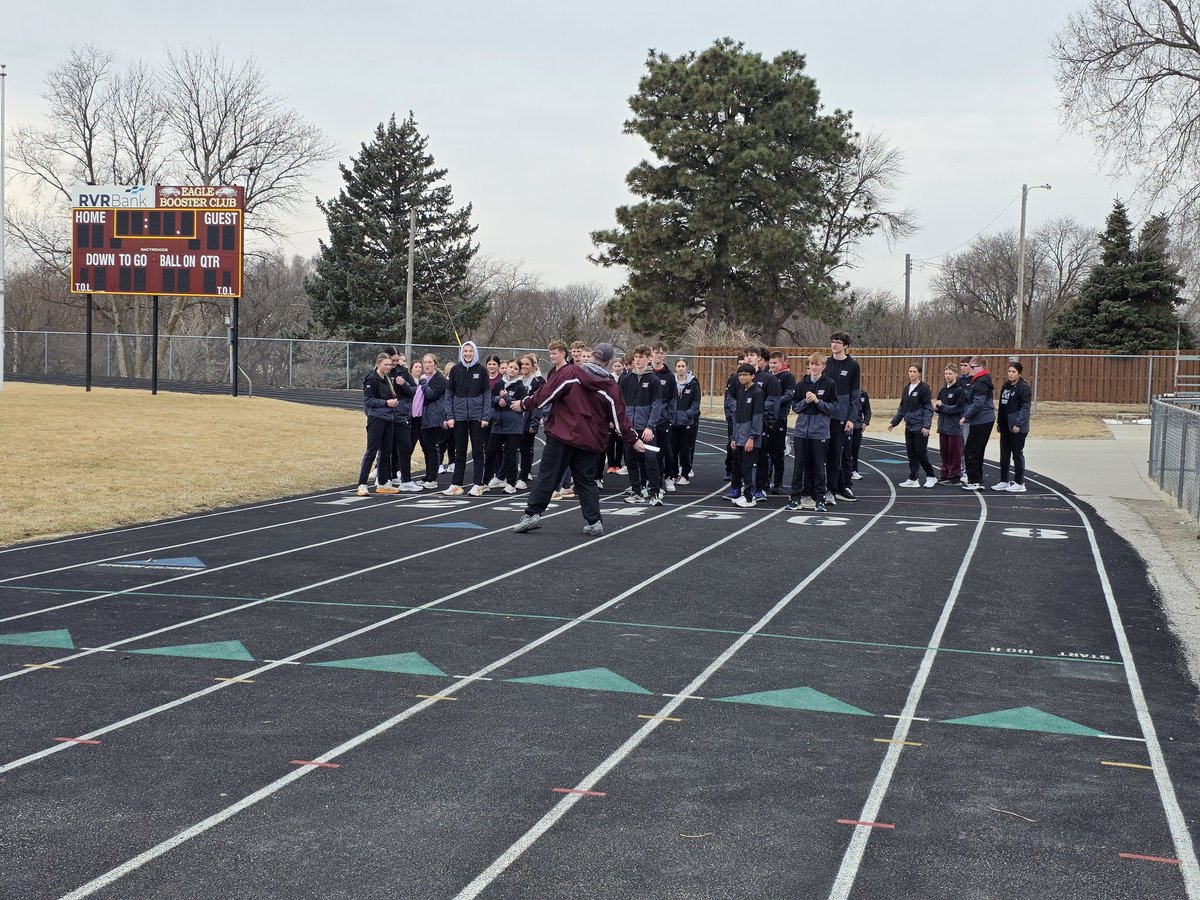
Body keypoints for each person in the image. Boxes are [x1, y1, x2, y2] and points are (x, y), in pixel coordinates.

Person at [512, 343, 644, 536]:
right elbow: (619, 418)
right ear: (608, 362)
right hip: (589, 440)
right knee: (586, 481)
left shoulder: (571, 373)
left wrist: (524, 404)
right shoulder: (610, 387)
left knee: (548, 475)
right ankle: (594, 521)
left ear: (592, 356)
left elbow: (547, 393)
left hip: (562, 434)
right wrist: (633, 439)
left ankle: (532, 514)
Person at [787, 352, 835, 512]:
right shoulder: (802, 384)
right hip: (801, 432)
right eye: (812, 364)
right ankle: (795, 498)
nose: (814, 367)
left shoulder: (829, 384)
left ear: (823, 366)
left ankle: (820, 499)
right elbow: (795, 407)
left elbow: (833, 408)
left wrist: (818, 401)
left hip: (819, 432)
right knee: (798, 467)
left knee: (819, 467)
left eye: (817, 365)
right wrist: (805, 401)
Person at [444, 340, 492, 497]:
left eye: (471, 351)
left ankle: (478, 484)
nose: (468, 354)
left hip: (477, 417)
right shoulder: (455, 370)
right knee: (460, 451)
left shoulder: (482, 370)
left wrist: (485, 416)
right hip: (459, 417)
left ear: (475, 352)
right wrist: (450, 416)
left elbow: (487, 394)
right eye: (465, 351)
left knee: (478, 451)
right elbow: (449, 395)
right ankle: (456, 484)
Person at [620, 344, 663, 504]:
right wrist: (623, 426)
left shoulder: (653, 380)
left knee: (651, 460)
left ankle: (655, 493)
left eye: (641, 357)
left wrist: (650, 426)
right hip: (629, 429)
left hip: (646, 429)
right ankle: (637, 491)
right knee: (631, 461)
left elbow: (656, 405)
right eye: (636, 357)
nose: (637, 360)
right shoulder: (626, 379)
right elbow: (620, 404)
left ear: (648, 359)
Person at [357, 353, 400, 496]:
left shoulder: (387, 379)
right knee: (371, 451)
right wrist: (386, 403)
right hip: (376, 419)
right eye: (385, 364)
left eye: (390, 364)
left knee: (386, 452)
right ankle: (362, 484)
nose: (388, 367)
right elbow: (369, 401)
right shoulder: (372, 379)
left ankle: (382, 482)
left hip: (389, 418)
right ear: (378, 363)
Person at [887, 364, 937, 488]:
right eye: (910, 371)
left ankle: (931, 476)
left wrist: (926, 426)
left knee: (920, 453)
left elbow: (928, 408)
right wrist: (894, 422)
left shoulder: (924, 388)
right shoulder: (907, 388)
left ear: (919, 373)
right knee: (911, 453)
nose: (912, 374)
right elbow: (902, 408)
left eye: (914, 371)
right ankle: (913, 478)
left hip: (919, 426)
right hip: (909, 426)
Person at [827, 332, 862, 504]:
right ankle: (825, 488)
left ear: (845, 346)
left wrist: (851, 418)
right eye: (832, 342)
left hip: (842, 416)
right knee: (824, 454)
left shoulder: (853, 365)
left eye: (838, 342)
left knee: (841, 454)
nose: (834, 345)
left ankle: (842, 487)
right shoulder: (826, 363)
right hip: (825, 415)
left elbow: (855, 395)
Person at [485, 359, 528, 494]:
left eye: (515, 368)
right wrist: (498, 399)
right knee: (490, 452)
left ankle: (510, 484)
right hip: (498, 425)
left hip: (513, 426)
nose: (512, 370)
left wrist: (507, 398)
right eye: (510, 367)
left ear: (519, 371)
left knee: (510, 455)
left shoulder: (521, 387)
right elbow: (491, 399)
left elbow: (520, 406)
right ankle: (484, 482)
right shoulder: (499, 384)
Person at [744, 345, 779, 502]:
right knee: (743, 457)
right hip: (743, 424)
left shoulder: (768, 378)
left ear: (759, 358)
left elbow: (773, 401)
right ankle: (744, 486)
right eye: (746, 355)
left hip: (761, 423)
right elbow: (733, 399)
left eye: (752, 355)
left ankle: (760, 488)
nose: (749, 357)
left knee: (762, 457)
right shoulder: (740, 378)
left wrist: (758, 411)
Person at [728, 363, 765, 508]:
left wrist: (752, 437)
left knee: (749, 468)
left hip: (750, 438)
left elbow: (758, 417)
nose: (742, 377)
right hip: (739, 437)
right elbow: (736, 417)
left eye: (745, 374)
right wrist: (734, 437)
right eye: (740, 375)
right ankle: (745, 494)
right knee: (742, 467)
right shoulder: (741, 393)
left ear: (752, 376)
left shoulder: (757, 393)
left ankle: (750, 497)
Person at [385, 348, 422, 492]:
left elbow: (415, 390)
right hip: (385, 416)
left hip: (401, 415)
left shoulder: (403, 372)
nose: (395, 363)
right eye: (392, 360)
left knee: (405, 446)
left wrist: (404, 384)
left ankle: (405, 480)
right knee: (387, 448)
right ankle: (386, 477)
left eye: (397, 360)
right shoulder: (380, 373)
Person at [993, 361, 1032, 493]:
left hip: (1016, 427)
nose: (1010, 374)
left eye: (1014, 372)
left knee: (1017, 454)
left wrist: (1018, 424)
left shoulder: (1023, 387)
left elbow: (1025, 407)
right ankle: (1004, 481)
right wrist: (999, 422)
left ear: (1019, 374)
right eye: (1009, 371)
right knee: (1004, 454)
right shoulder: (1006, 386)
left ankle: (1019, 482)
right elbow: (1002, 406)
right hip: (1005, 425)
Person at [959, 355, 996, 490]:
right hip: (982, 419)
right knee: (976, 451)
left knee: (971, 450)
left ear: (981, 367)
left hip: (982, 420)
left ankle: (974, 480)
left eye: (973, 367)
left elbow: (978, 403)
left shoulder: (981, 382)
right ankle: (977, 479)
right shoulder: (979, 380)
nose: (970, 369)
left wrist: (966, 417)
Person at [414, 353, 449, 489]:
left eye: (430, 362)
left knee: (432, 449)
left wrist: (423, 382)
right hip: (421, 417)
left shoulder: (439, 379)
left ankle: (432, 479)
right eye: (425, 362)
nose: (427, 365)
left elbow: (431, 395)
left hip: (433, 418)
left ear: (435, 364)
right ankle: (427, 476)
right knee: (426, 449)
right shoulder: (425, 378)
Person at [766, 351, 796, 494]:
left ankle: (778, 483)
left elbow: (789, 395)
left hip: (779, 417)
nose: (772, 366)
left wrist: (773, 402)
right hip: (766, 417)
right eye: (770, 363)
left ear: (782, 362)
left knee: (777, 452)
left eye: (775, 363)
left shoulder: (787, 376)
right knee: (765, 452)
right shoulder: (767, 375)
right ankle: (765, 481)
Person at [650, 343, 678, 492]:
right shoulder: (647, 373)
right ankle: (649, 480)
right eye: (656, 352)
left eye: (662, 353)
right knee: (648, 452)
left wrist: (668, 417)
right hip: (648, 420)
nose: (659, 355)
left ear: (665, 355)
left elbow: (673, 399)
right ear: (651, 354)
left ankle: (667, 477)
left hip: (663, 420)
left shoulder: (669, 376)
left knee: (665, 451)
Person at [670, 358, 701, 485]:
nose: (681, 368)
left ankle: (685, 475)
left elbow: (696, 403)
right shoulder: (671, 382)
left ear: (687, 367)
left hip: (686, 423)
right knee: (672, 450)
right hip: (672, 422)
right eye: (678, 366)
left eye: (683, 366)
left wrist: (687, 415)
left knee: (685, 450)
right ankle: (673, 474)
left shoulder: (693, 383)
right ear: (675, 368)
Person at [517, 354, 545, 489]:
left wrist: (534, 422)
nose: (524, 367)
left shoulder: (537, 383)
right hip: (514, 421)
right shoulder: (517, 381)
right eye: (522, 364)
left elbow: (538, 404)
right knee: (510, 449)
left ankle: (523, 477)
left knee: (525, 450)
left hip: (527, 421)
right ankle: (505, 476)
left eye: (527, 364)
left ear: (534, 367)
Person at [933, 366, 965, 484]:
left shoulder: (959, 390)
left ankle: (955, 476)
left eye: (950, 373)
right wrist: (936, 407)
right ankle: (944, 474)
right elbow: (940, 407)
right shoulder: (943, 390)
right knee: (944, 452)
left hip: (954, 427)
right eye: (946, 373)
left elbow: (958, 409)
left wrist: (942, 406)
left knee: (954, 453)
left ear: (956, 374)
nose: (947, 376)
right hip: (943, 426)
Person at [850, 388, 872, 480]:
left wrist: (865, 422)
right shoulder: (844, 392)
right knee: (843, 451)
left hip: (857, 426)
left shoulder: (863, 394)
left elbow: (867, 410)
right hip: (845, 426)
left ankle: (854, 470)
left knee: (855, 450)